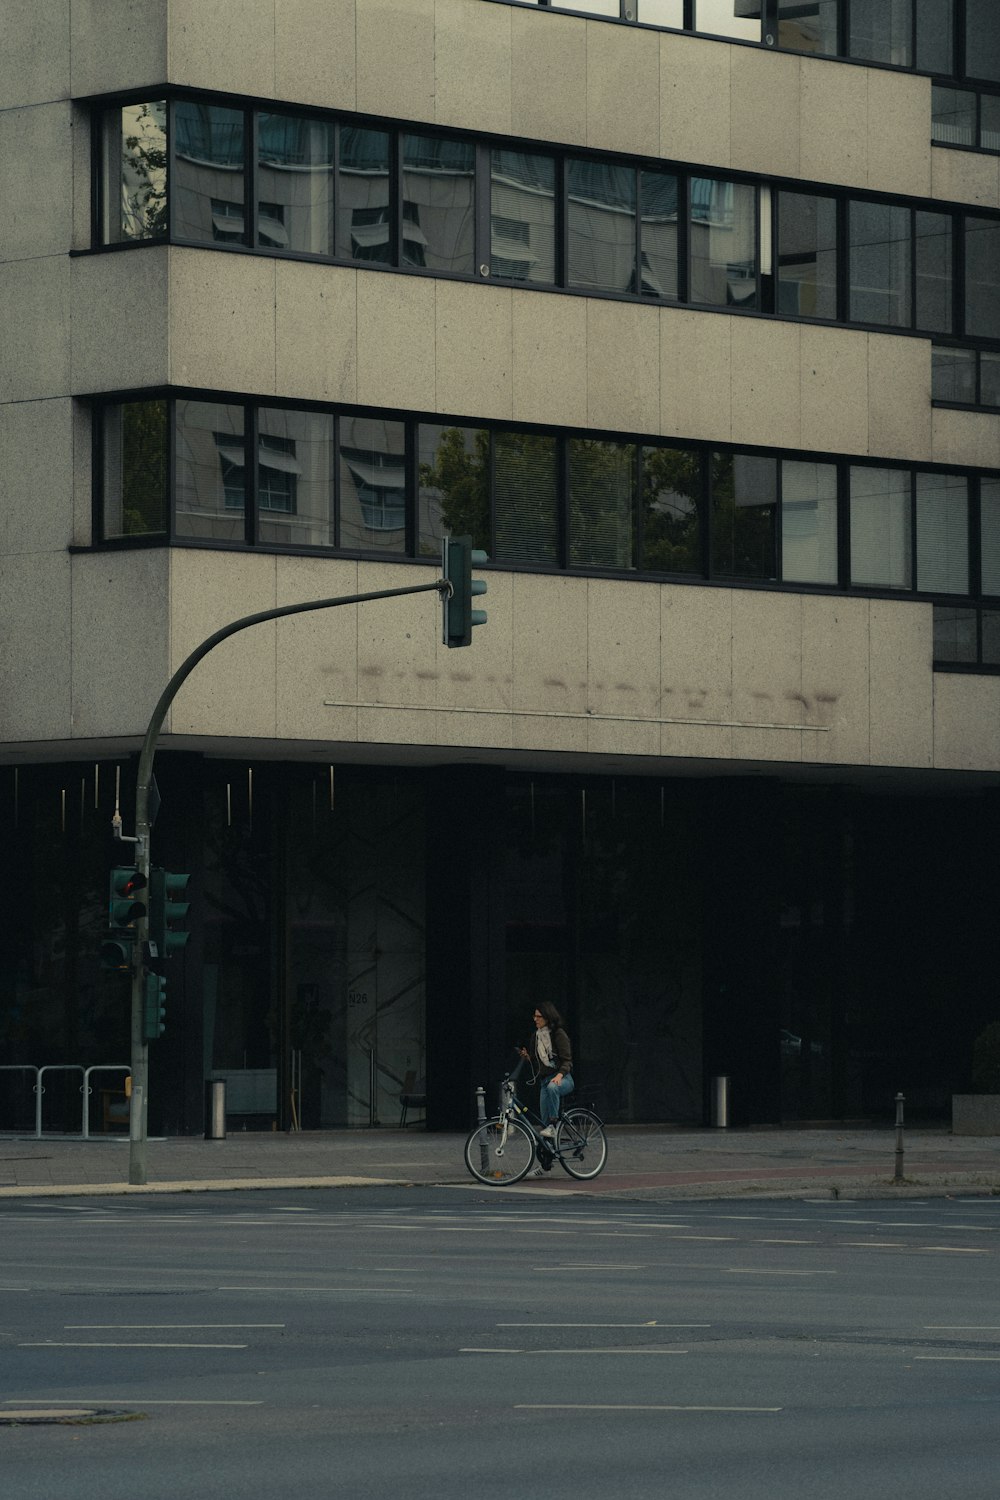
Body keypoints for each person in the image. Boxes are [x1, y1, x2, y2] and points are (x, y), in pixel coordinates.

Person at [520, 1002, 574, 1139]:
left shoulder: (558, 1034)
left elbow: (567, 1060)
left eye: (539, 1016)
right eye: (534, 1016)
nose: (535, 1019)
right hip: (544, 1081)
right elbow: (536, 1060)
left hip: (563, 1078)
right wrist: (527, 1057)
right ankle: (547, 1155)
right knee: (542, 1122)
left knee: (552, 1087)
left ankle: (554, 1125)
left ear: (548, 1018)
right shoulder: (536, 1036)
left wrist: (560, 1075)